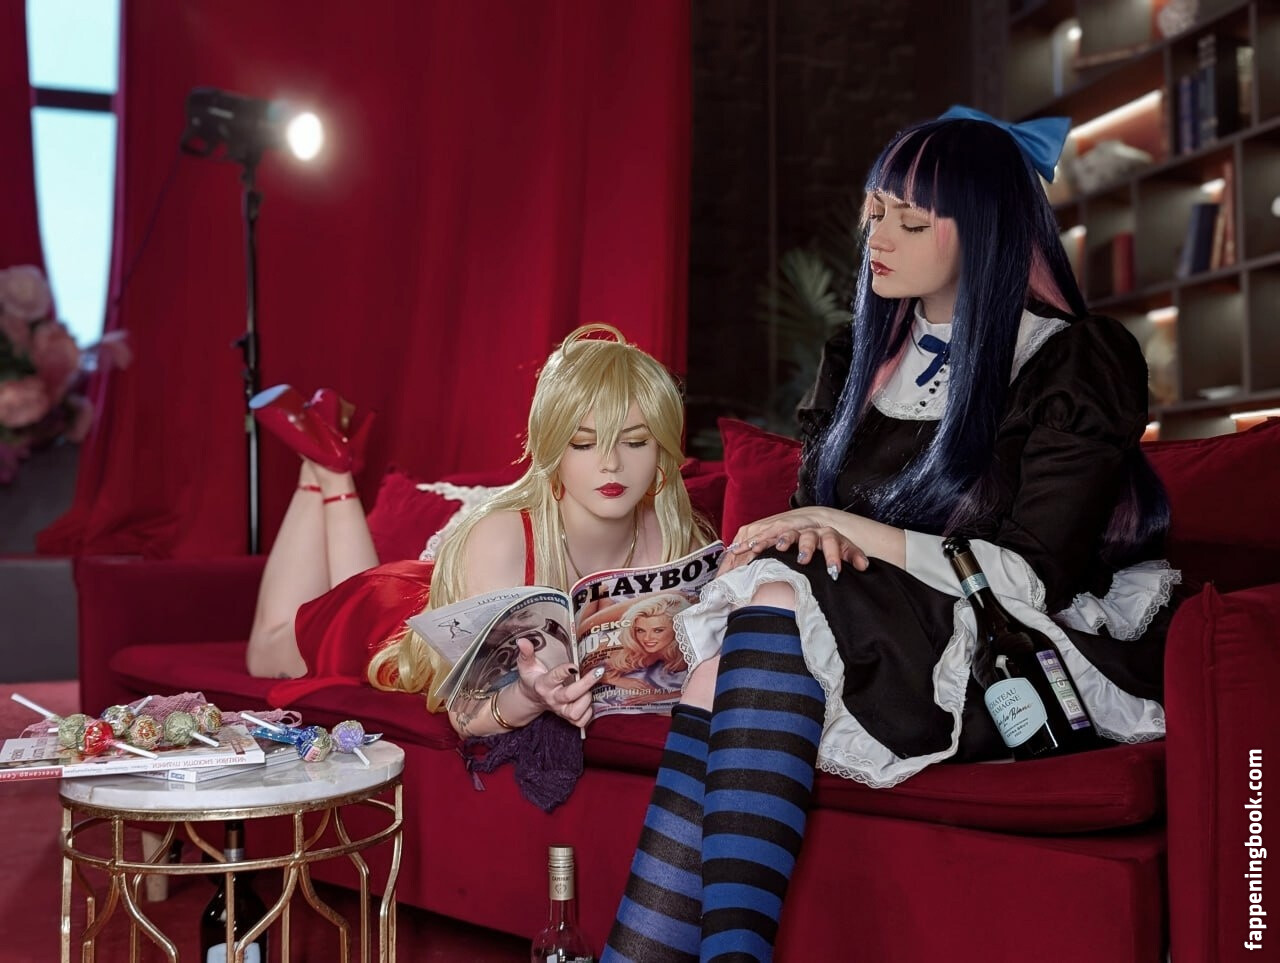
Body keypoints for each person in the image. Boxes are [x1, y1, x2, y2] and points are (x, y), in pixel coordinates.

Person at [602, 106, 1183, 962]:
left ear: (984, 231)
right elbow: (809, 530)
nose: (877, 238)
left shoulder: (1071, 359)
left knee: (757, 626)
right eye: (874, 211)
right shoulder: (860, 356)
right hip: (870, 625)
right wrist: (821, 534)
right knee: (723, 665)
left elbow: (1032, 577)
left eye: (910, 222)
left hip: (1003, 639)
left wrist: (845, 527)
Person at [244, 323, 714, 743]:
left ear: (662, 449)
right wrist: (528, 697)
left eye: (635, 441)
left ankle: (326, 449)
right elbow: (465, 713)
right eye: (584, 443)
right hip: (394, 629)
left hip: (445, 590)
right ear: (552, 449)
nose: (611, 463)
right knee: (265, 652)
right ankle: (331, 474)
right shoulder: (501, 536)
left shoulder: (679, 539)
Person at [599, 592, 691, 694]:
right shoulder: (630, 650)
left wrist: (661, 696)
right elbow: (588, 670)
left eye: (658, 630)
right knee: (601, 611)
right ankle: (602, 591)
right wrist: (615, 680)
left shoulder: (683, 647)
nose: (647, 638)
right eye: (640, 630)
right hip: (602, 637)